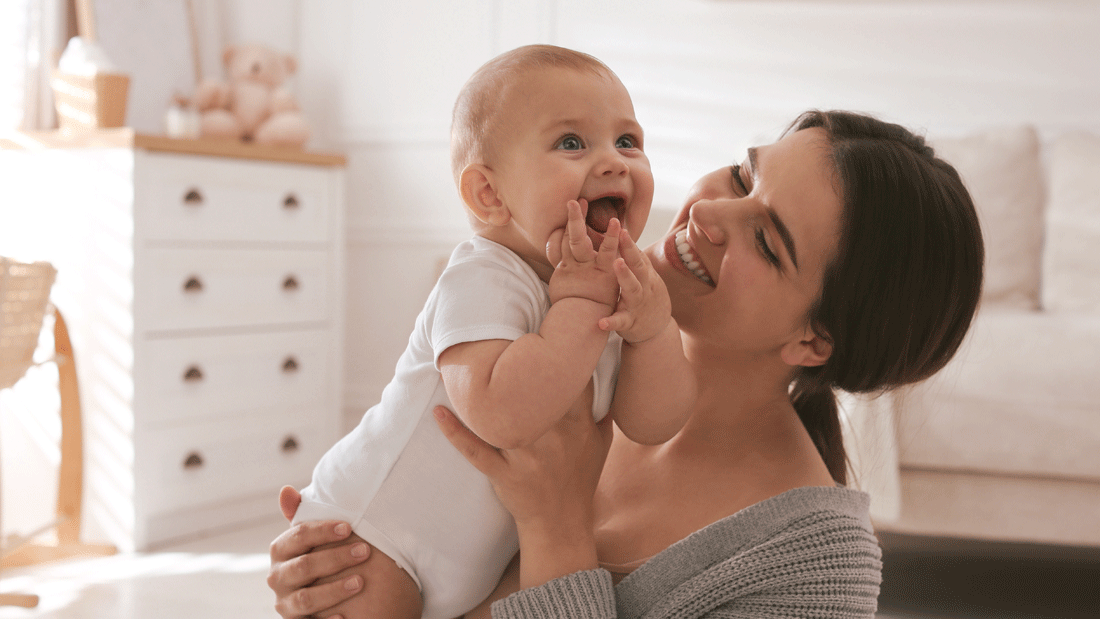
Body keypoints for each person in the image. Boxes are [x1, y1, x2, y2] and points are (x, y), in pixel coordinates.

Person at [269, 109, 985, 618]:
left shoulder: (813, 571)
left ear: (814, 341)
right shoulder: (561, 341)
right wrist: (341, 559)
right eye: (742, 176)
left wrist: (555, 529)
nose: (708, 214)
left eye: (767, 241)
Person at [288, 45, 695, 619]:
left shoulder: (611, 286)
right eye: (572, 143)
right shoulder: (482, 276)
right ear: (490, 194)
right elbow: (502, 414)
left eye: (627, 141)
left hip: (471, 568)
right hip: (374, 537)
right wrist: (579, 303)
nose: (614, 162)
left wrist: (653, 331)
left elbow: (656, 423)